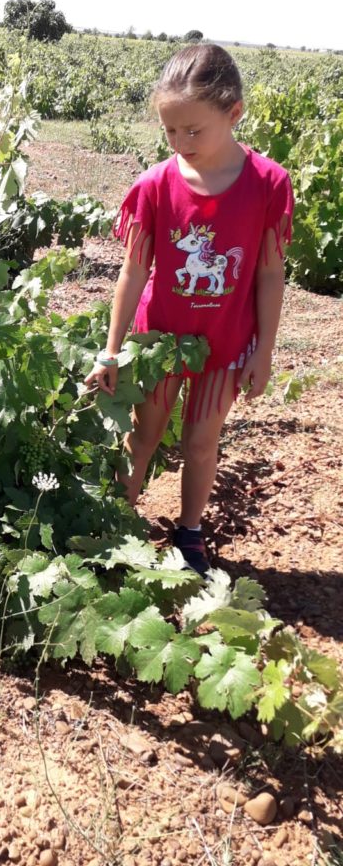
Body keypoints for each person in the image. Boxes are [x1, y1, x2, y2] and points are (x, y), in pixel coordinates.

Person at [86, 44, 293, 576]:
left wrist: (263, 353)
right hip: (159, 341)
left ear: (234, 113)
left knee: (202, 442)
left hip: (226, 342)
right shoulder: (155, 185)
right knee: (145, 436)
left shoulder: (268, 185)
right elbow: (133, 273)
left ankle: (189, 532)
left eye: (193, 131)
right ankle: (115, 526)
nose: (180, 143)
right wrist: (111, 353)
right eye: (170, 132)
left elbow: (270, 274)